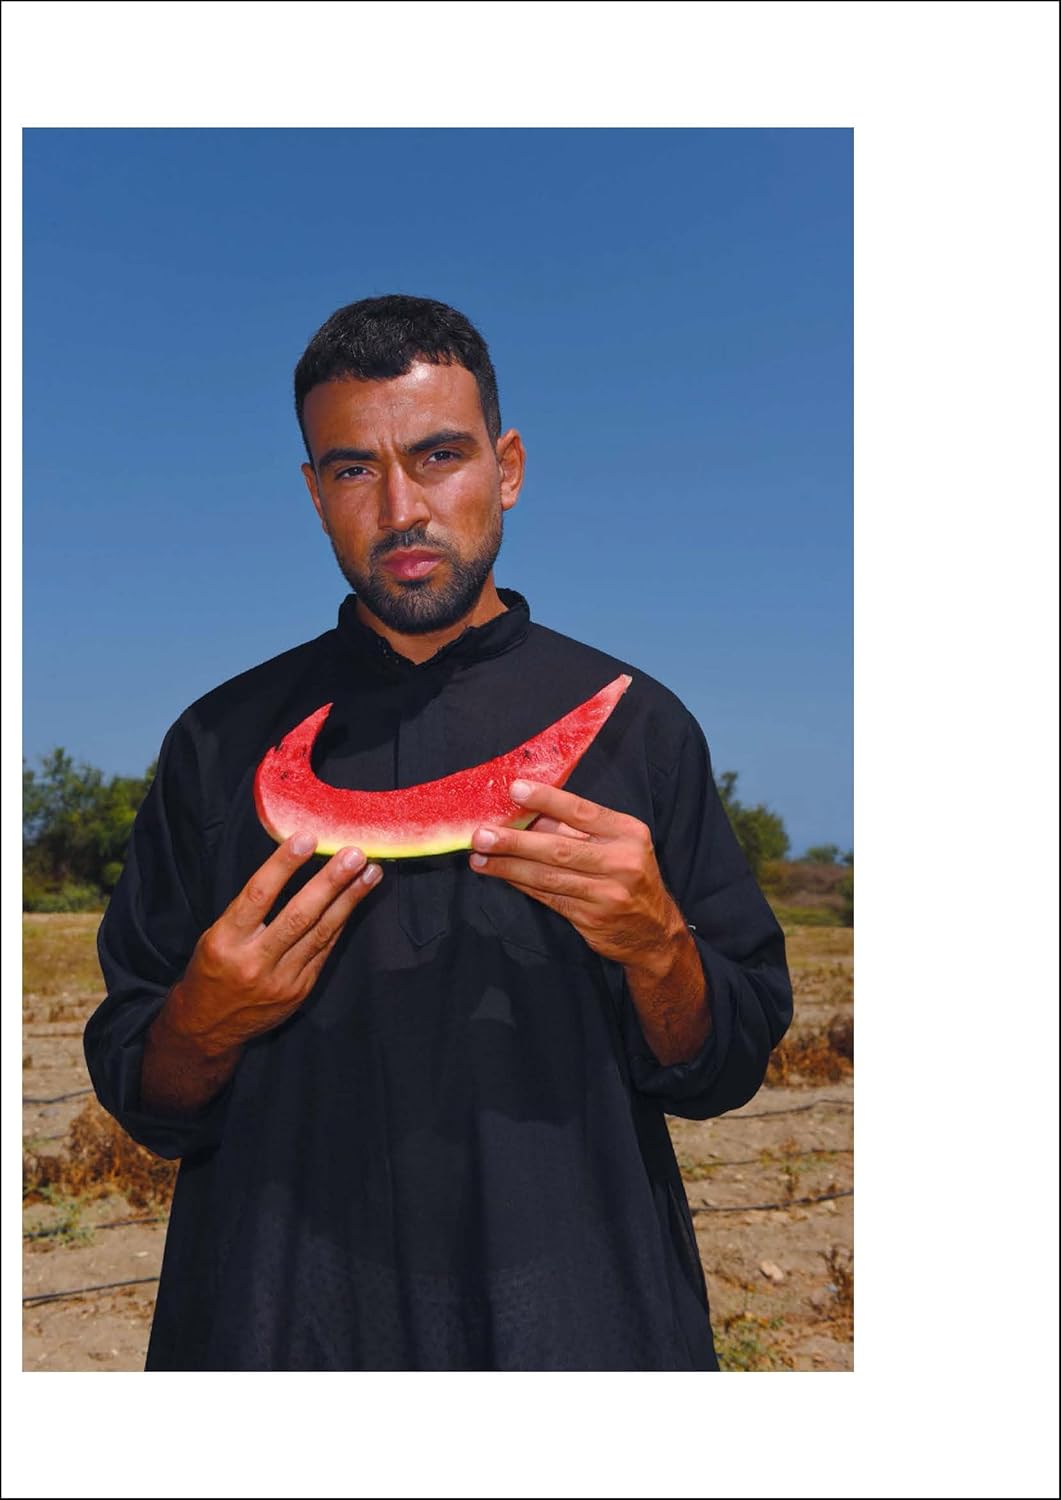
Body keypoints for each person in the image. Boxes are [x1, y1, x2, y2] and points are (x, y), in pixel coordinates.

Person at [84, 294, 793, 1371]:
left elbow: (723, 1068)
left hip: (580, 1327)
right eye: (353, 470)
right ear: (314, 494)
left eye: (439, 456)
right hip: (279, 1329)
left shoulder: (637, 726)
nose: (400, 507)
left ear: (506, 469)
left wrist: (659, 948)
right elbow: (146, 1087)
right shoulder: (217, 744)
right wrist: (204, 1020)